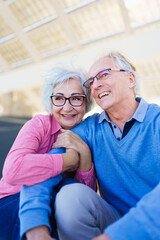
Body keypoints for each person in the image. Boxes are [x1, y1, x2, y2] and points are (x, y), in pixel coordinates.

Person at [53, 52, 160, 240]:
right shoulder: (89, 129)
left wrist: (114, 235)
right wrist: (34, 224)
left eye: (104, 75)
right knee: (70, 195)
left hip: (151, 226)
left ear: (131, 79)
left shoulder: (156, 121)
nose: (96, 85)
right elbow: (47, 165)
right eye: (91, 82)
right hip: (114, 220)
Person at [0, 65, 96, 240]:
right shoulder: (38, 125)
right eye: (59, 98)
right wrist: (67, 160)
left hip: (54, 204)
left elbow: (81, 197)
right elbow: (12, 171)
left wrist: (84, 154)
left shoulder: (87, 133)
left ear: (86, 102)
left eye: (76, 98)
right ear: (50, 102)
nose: (67, 107)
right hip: (11, 200)